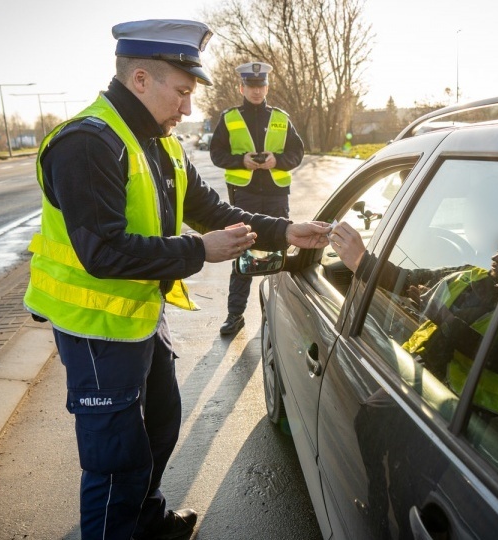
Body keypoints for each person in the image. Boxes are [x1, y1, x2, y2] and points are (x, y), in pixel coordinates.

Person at [22, 20, 330, 540]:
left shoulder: (158, 141)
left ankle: (147, 520)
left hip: (141, 315)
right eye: (183, 92)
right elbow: (101, 251)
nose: (188, 108)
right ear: (140, 79)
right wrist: (198, 251)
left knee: (160, 426)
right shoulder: (87, 143)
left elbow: (209, 208)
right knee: (116, 460)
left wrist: (288, 231)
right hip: (97, 328)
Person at [329, 220, 498, 415]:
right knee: (370, 417)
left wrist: (443, 317)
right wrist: (360, 259)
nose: (495, 258)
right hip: (422, 381)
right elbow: (404, 279)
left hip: (474, 418)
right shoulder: (467, 275)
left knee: (372, 419)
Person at [209, 61, 305, 336]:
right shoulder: (229, 118)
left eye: (261, 85)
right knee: (243, 252)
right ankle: (235, 315)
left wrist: (278, 160)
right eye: (251, 86)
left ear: (267, 87)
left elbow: (297, 153)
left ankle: (285, 318)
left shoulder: (280, 117)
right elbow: (217, 154)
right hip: (246, 195)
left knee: (279, 253)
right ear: (242, 87)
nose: (256, 90)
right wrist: (242, 160)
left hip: (276, 195)